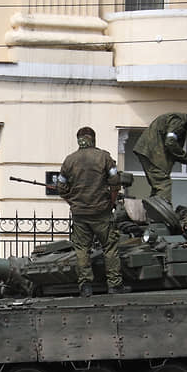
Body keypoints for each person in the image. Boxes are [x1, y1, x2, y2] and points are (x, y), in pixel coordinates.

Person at [57, 126, 130, 297]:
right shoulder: (104, 157)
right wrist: (111, 202)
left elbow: (61, 187)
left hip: (80, 214)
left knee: (82, 249)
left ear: (79, 140)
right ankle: (114, 285)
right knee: (110, 247)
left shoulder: (69, 160)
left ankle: (85, 286)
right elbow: (115, 180)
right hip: (102, 212)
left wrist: (72, 202)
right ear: (94, 139)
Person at [133, 112, 187, 203]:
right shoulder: (178, 122)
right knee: (164, 184)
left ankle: (153, 210)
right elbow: (170, 142)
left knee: (158, 187)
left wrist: (181, 157)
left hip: (149, 152)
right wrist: (184, 156)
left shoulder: (178, 122)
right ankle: (162, 213)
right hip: (152, 153)